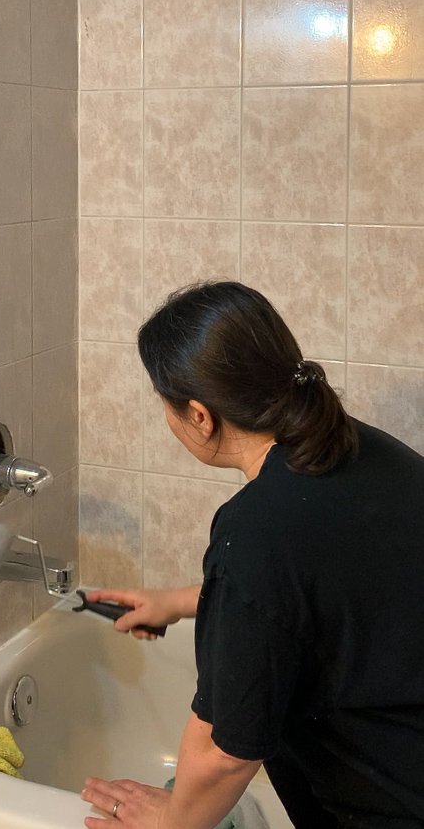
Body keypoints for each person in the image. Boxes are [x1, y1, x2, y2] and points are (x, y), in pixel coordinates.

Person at [80, 281, 424, 829]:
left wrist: (171, 821)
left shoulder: (257, 528)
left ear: (199, 415)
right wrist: (182, 600)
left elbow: (226, 753)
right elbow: (323, 593)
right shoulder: (364, 450)